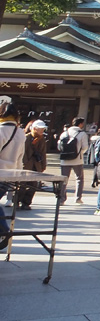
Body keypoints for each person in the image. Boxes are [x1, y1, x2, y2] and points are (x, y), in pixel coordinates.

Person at [0, 96, 26, 249]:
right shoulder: (20, 132)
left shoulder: (1, 130)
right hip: (9, 175)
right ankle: (3, 232)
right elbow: (20, 157)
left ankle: (3, 231)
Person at [58, 117, 90, 205]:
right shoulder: (82, 134)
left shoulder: (64, 133)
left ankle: (62, 199)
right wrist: (79, 153)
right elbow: (85, 147)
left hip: (64, 160)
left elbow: (59, 146)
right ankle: (77, 198)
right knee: (79, 179)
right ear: (80, 124)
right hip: (77, 160)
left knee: (64, 179)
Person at [18, 120, 48, 210]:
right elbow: (22, 152)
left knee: (33, 185)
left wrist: (43, 165)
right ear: (35, 129)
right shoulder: (26, 138)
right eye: (40, 129)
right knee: (22, 185)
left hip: (36, 165)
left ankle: (26, 203)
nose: (42, 131)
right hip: (26, 165)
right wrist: (25, 163)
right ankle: (17, 201)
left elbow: (43, 153)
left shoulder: (42, 139)